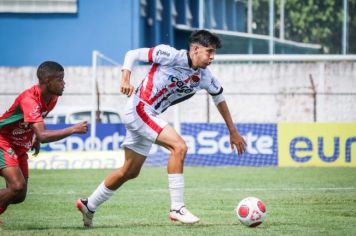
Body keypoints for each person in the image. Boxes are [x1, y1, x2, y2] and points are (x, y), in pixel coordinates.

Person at [76, 30, 246, 226]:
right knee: (179, 147)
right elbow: (132, 54)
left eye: (214, 52)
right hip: (139, 107)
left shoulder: (205, 77)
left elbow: (219, 98)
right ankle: (177, 208)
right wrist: (125, 79)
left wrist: (233, 131)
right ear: (195, 49)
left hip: (148, 115)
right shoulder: (170, 55)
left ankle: (89, 205)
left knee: (129, 172)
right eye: (209, 51)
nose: (212, 57)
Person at [0, 61, 88, 219]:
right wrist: (73, 129)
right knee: (17, 187)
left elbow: (37, 125)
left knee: (20, 195)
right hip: (3, 141)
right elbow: (43, 134)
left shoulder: (52, 98)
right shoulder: (29, 99)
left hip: (19, 146)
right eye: (60, 79)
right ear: (48, 82)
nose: (64, 83)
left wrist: (34, 138)